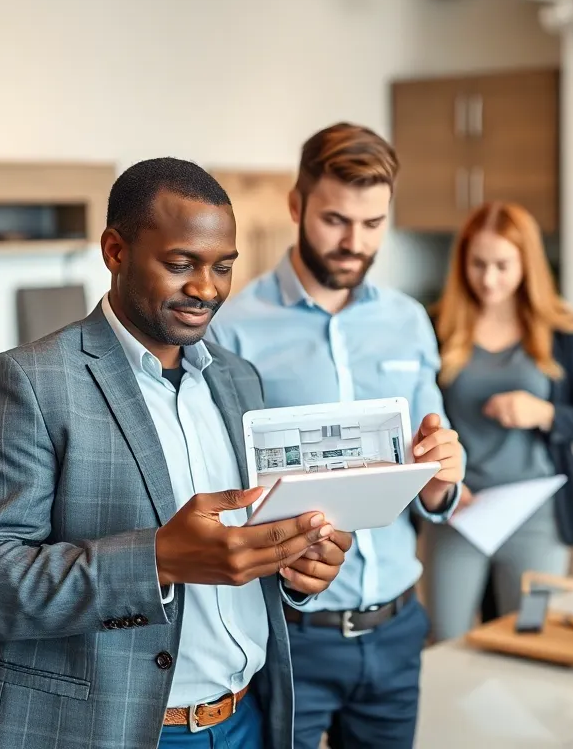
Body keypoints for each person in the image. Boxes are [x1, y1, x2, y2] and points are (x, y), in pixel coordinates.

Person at [0, 157, 354, 749]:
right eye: (181, 264)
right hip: (109, 731)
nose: (206, 289)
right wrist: (155, 560)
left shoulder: (240, 380)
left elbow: (246, 540)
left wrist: (297, 567)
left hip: (246, 721)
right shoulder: (31, 382)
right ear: (115, 250)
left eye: (222, 267)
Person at [204, 122, 465, 749]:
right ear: (297, 207)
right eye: (336, 220)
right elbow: (218, 487)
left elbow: (431, 479)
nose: (355, 242)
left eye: (373, 224)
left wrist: (445, 473)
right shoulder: (232, 330)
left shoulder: (409, 322)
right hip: (295, 634)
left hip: (400, 625)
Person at [424, 200, 573, 643]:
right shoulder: (435, 328)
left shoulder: (563, 331)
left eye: (502, 265)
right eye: (478, 264)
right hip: (460, 510)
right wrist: (440, 483)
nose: (488, 279)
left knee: (532, 639)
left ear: (527, 262)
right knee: (446, 639)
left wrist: (543, 412)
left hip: (537, 515)